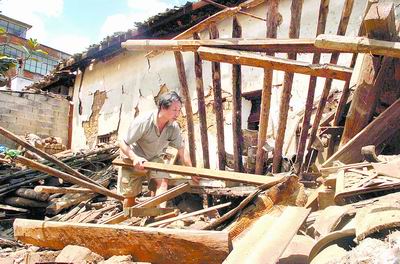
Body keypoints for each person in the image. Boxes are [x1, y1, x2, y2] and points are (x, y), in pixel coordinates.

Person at [118, 91, 199, 208]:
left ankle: (158, 216)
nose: (178, 113)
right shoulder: (144, 121)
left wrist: (191, 171)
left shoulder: (173, 127)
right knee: (130, 195)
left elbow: (181, 149)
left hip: (154, 158)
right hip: (134, 157)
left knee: (163, 182)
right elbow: (122, 142)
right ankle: (126, 218)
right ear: (162, 107)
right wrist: (134, 158)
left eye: (179, 110)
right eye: (174, 110)